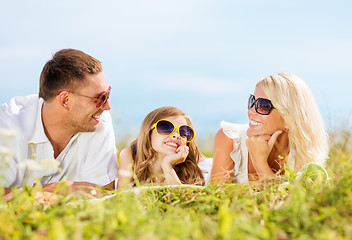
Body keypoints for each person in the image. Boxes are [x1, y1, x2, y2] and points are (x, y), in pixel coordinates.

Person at [0, 48, 118, 194]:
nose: (107, 106)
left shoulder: (99, 122)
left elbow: (104, 193)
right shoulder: (6, 126)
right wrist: (49, 192)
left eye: (108, 94)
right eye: (101, 98)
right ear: (65, 100)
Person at [211, 73, 329, 184]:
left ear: (289, 118)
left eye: (263, 105)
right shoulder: (230, 139)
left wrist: (260, 162)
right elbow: (215, 199)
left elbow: (291, 204)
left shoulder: (303, 157)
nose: (251, 111)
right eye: (252, 101)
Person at [117, 106, 205, 189]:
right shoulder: (130, 155)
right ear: (148, 132)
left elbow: (181, 200)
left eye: (183, 132)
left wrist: (167, 165)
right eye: (166, 128)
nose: (176, 135)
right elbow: (122, 198)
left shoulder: (187, 167)